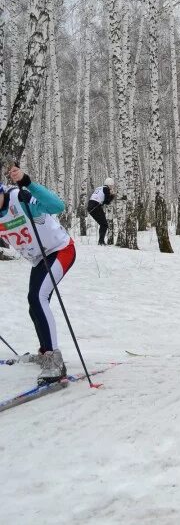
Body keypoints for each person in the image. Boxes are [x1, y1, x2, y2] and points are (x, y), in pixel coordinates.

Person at [0, 165, 76, 385]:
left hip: (60, 250)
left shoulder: (20, 199)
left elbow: (57, 206)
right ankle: (45, 352)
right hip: (39, 259)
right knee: (33, 303)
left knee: (37, 297)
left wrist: (28, 183)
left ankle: (55, 359)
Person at [87, 177, 116, 245]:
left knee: (103, 224)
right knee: (104, 224)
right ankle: (101, 241)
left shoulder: (99, 188)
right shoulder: (106, 189)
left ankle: (101, 241)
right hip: (96, 207)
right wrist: (112, 195)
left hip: (90, 206)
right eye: (112, 185)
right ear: (109, 185)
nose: (112, 187)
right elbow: (107, 201)